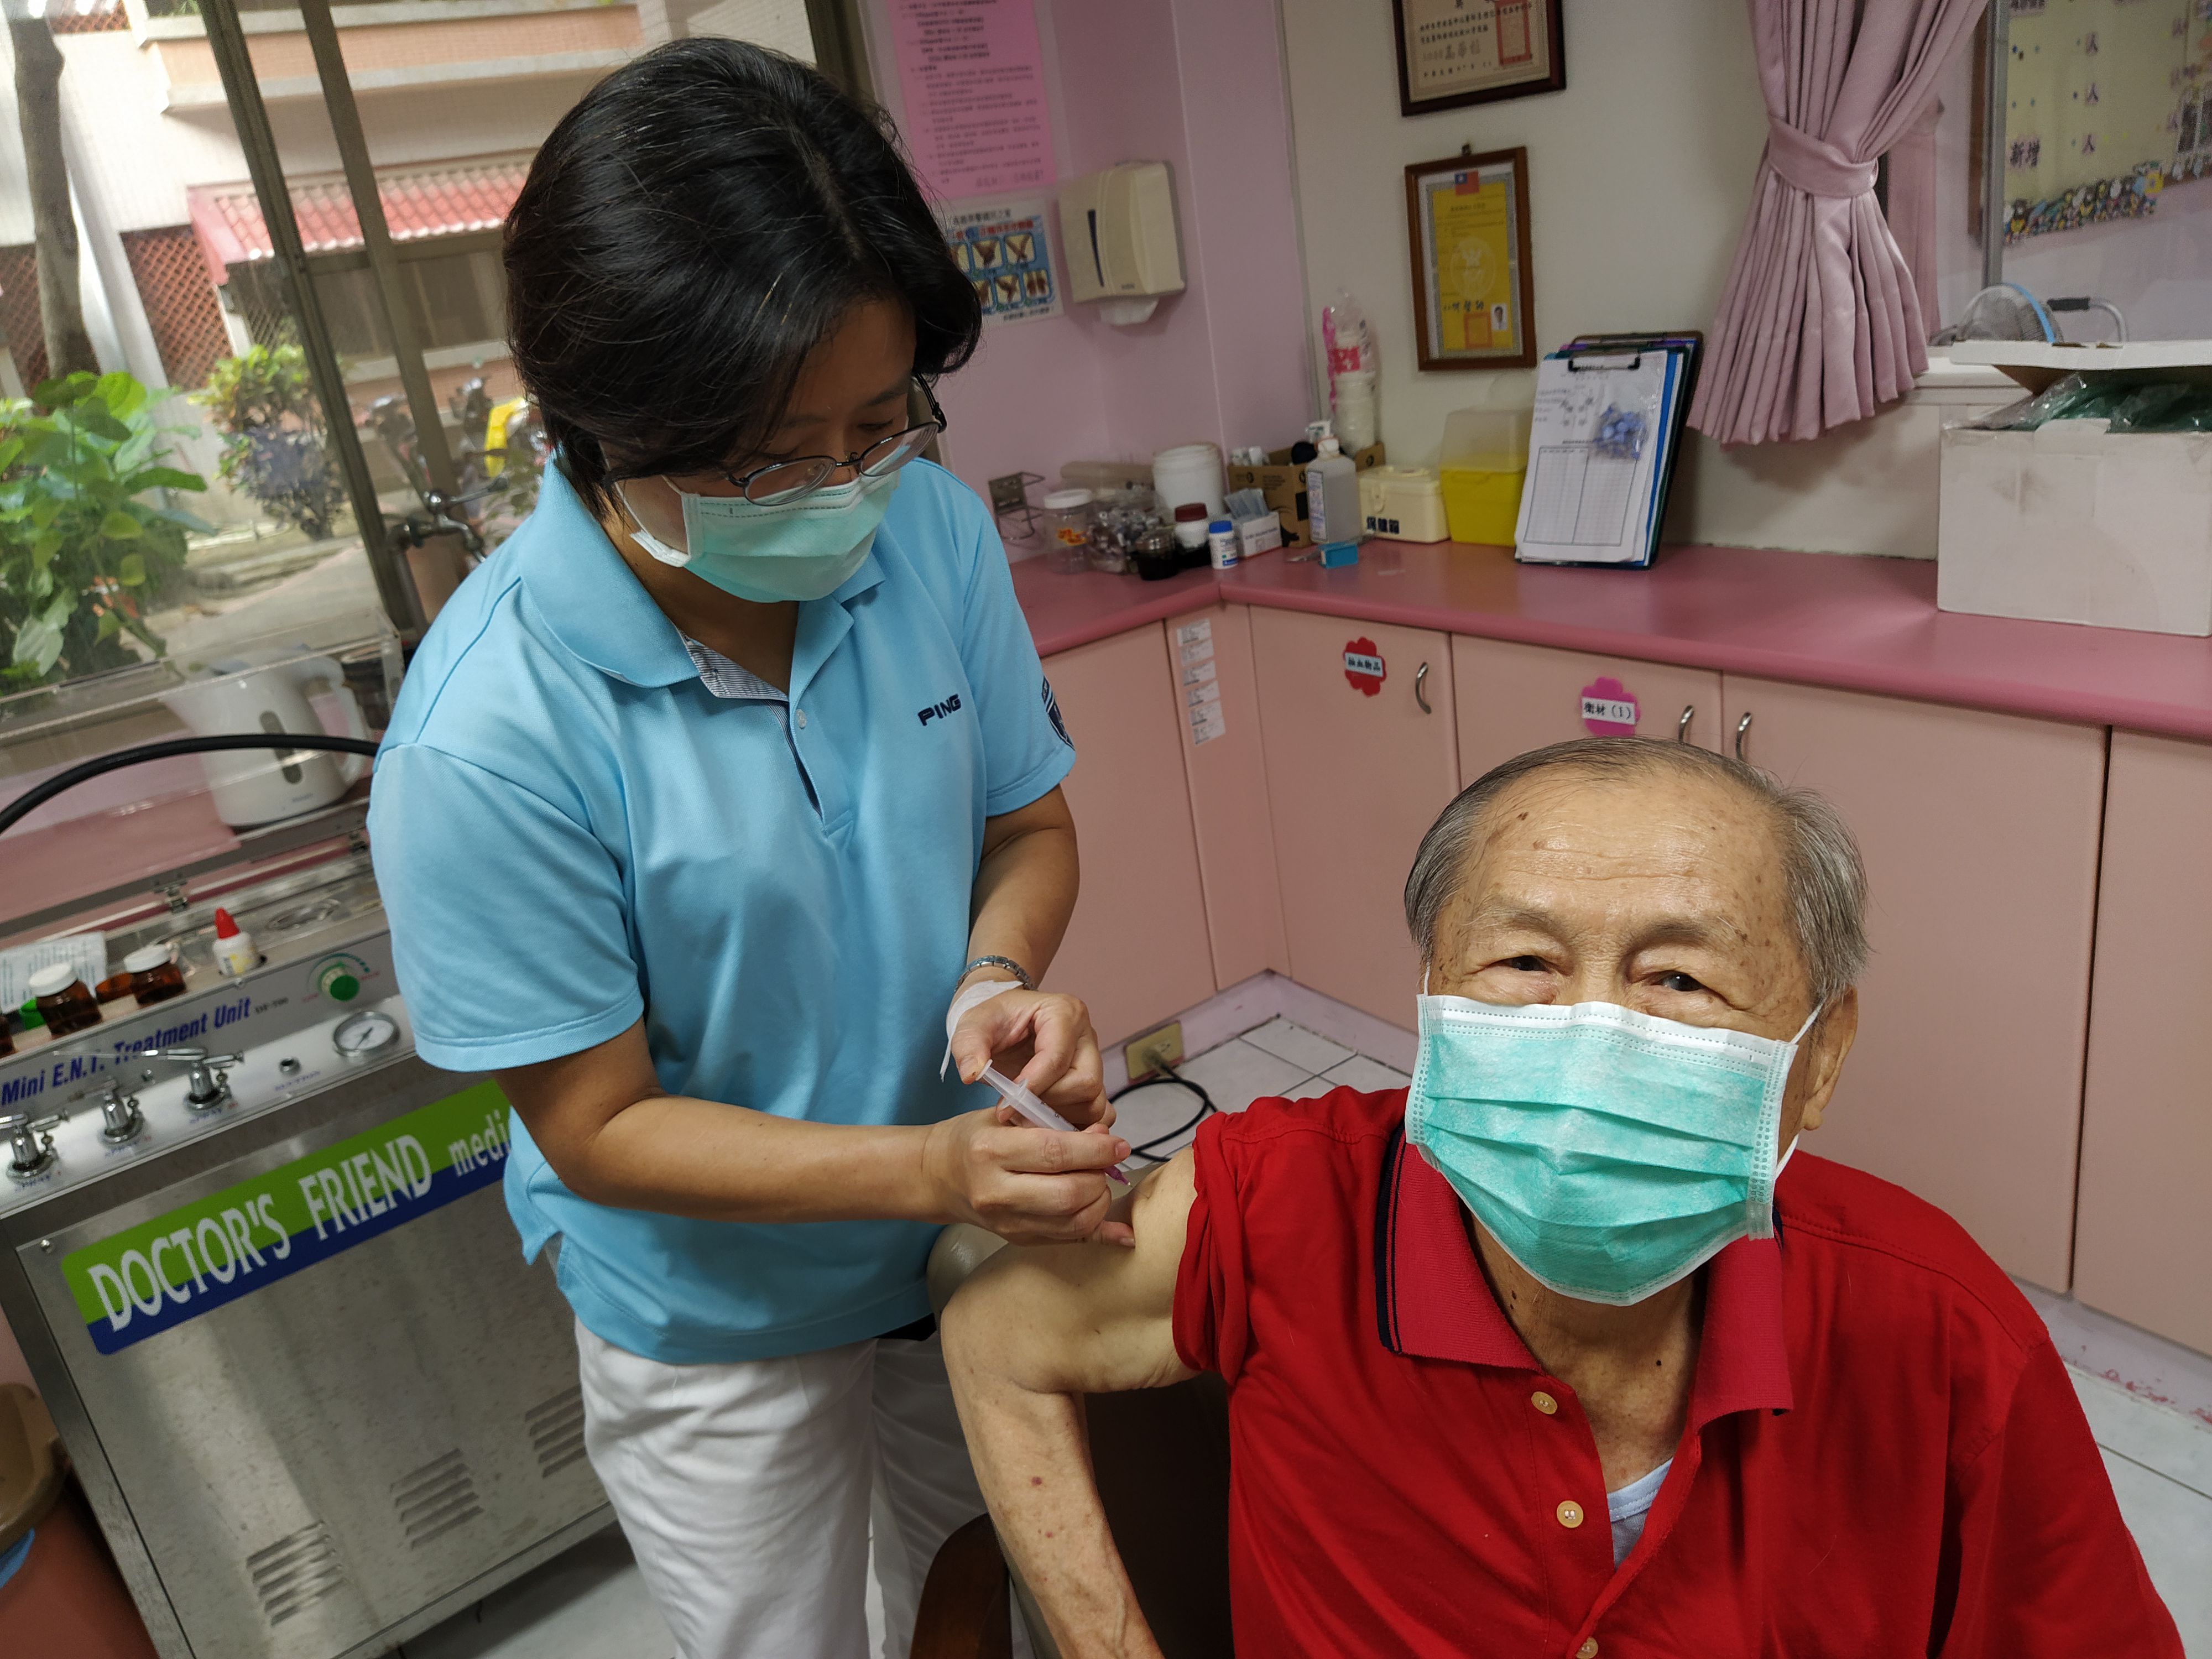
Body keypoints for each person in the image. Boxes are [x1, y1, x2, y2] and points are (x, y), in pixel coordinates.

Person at [367, 40, 1131, 1659]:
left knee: (984, 1589)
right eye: (768, 457)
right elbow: (598, 1122)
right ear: (600, 425)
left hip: (955, 1250)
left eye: (879, 423)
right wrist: (929, 1163)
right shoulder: (489, 733)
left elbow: (1029, 824)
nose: (842, 491)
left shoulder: (925, 533)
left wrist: (1001, 975)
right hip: (712, 1321)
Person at [943, 737, 2183, 1658]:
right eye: (1524, 962)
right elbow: (994, 1336)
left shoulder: (1934, 1330)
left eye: (1680, 978)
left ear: (1818, 1058)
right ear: (1430, 994)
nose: (1590, 1036)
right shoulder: (1283, 1204)